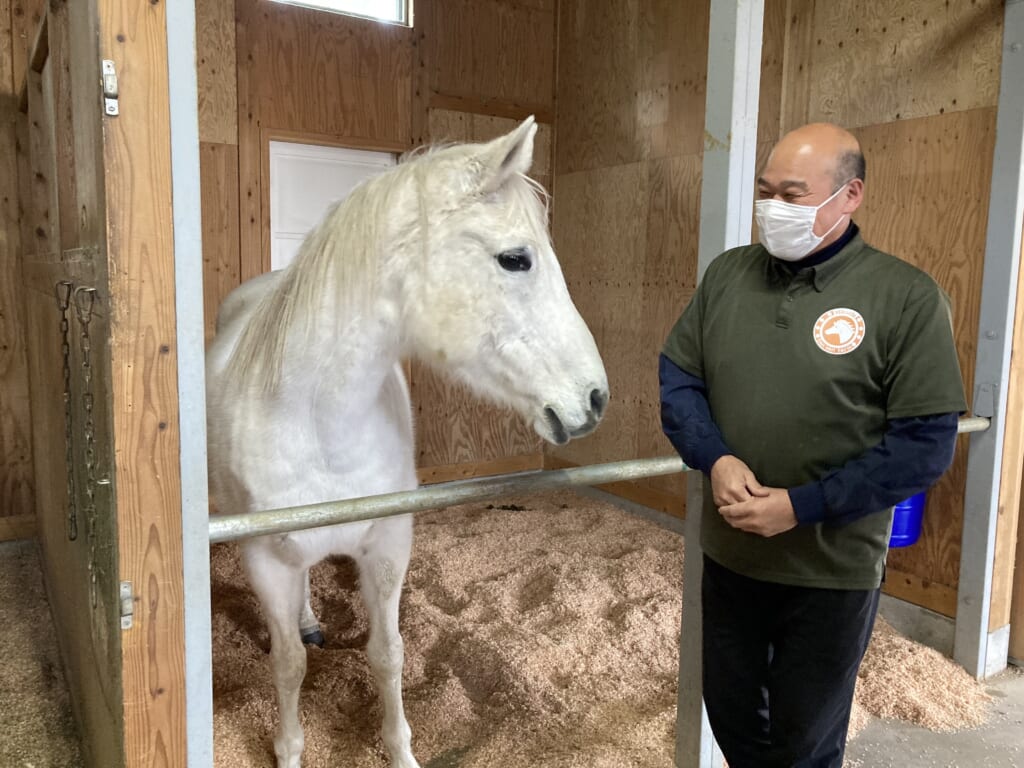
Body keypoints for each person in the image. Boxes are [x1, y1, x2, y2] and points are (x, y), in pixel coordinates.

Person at [659, 122, 967, 768]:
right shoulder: (727, 277)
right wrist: (715, 457)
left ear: (849, 196)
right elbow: (680, 379)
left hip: (830, 571)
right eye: (765, 191)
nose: (771, 208)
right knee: (735, 724)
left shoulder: (905, 298)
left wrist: (802, 505)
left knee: (804, 742)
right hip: (730, 555)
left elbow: (924, 445)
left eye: (792, 195)